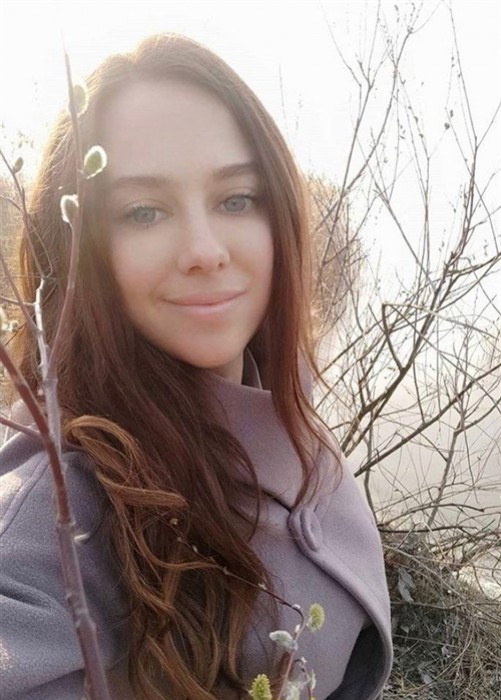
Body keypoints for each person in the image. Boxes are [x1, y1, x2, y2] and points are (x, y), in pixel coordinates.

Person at [0, 34, 393, 699]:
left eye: (236, 199)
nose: (205, 250)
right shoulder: (57, 515)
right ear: (77, 250)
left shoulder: (281, 409)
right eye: (143, 212)